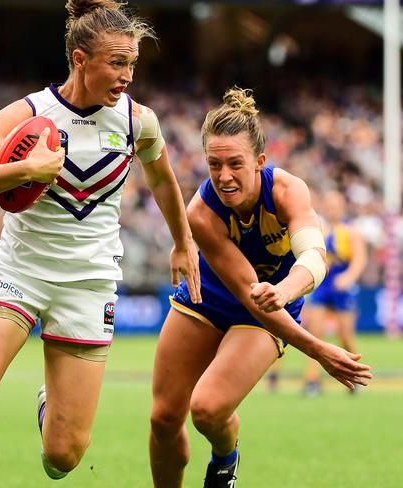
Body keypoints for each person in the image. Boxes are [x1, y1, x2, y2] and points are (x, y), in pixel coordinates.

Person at [0, 1, 201, 486]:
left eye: (132, 64)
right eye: (117, 63)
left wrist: (183, 243)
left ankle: (50, 409)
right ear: (80, 60)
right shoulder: (27, 114)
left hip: (89, 283)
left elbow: (164, 182)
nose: (128, 76)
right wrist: (25, 169)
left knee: (63, 458)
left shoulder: (138, 121)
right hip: (18, 273)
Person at [148, 87, 372, 488]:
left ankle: (225, 458)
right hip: (208, 300)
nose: (224, 176)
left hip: (271, 307)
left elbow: (314, 257)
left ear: (260, 162)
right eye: (214, 164)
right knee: (163, 418)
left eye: (236, 163)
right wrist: (319, 350)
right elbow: (246, 291)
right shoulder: (200, 213)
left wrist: (285, 291)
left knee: (207, 409)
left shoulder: (289, 191)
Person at [303, 190, 367, 396]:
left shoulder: (350, 232)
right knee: (315, 334)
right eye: (329, 206)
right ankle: (312, 381)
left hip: (342, 287)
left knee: (345, 336)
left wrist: (348, 277)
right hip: (322, 285)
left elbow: (359, 259)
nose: (332, 210)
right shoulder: (318, 229)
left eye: (336, 206)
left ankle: (354, 374)